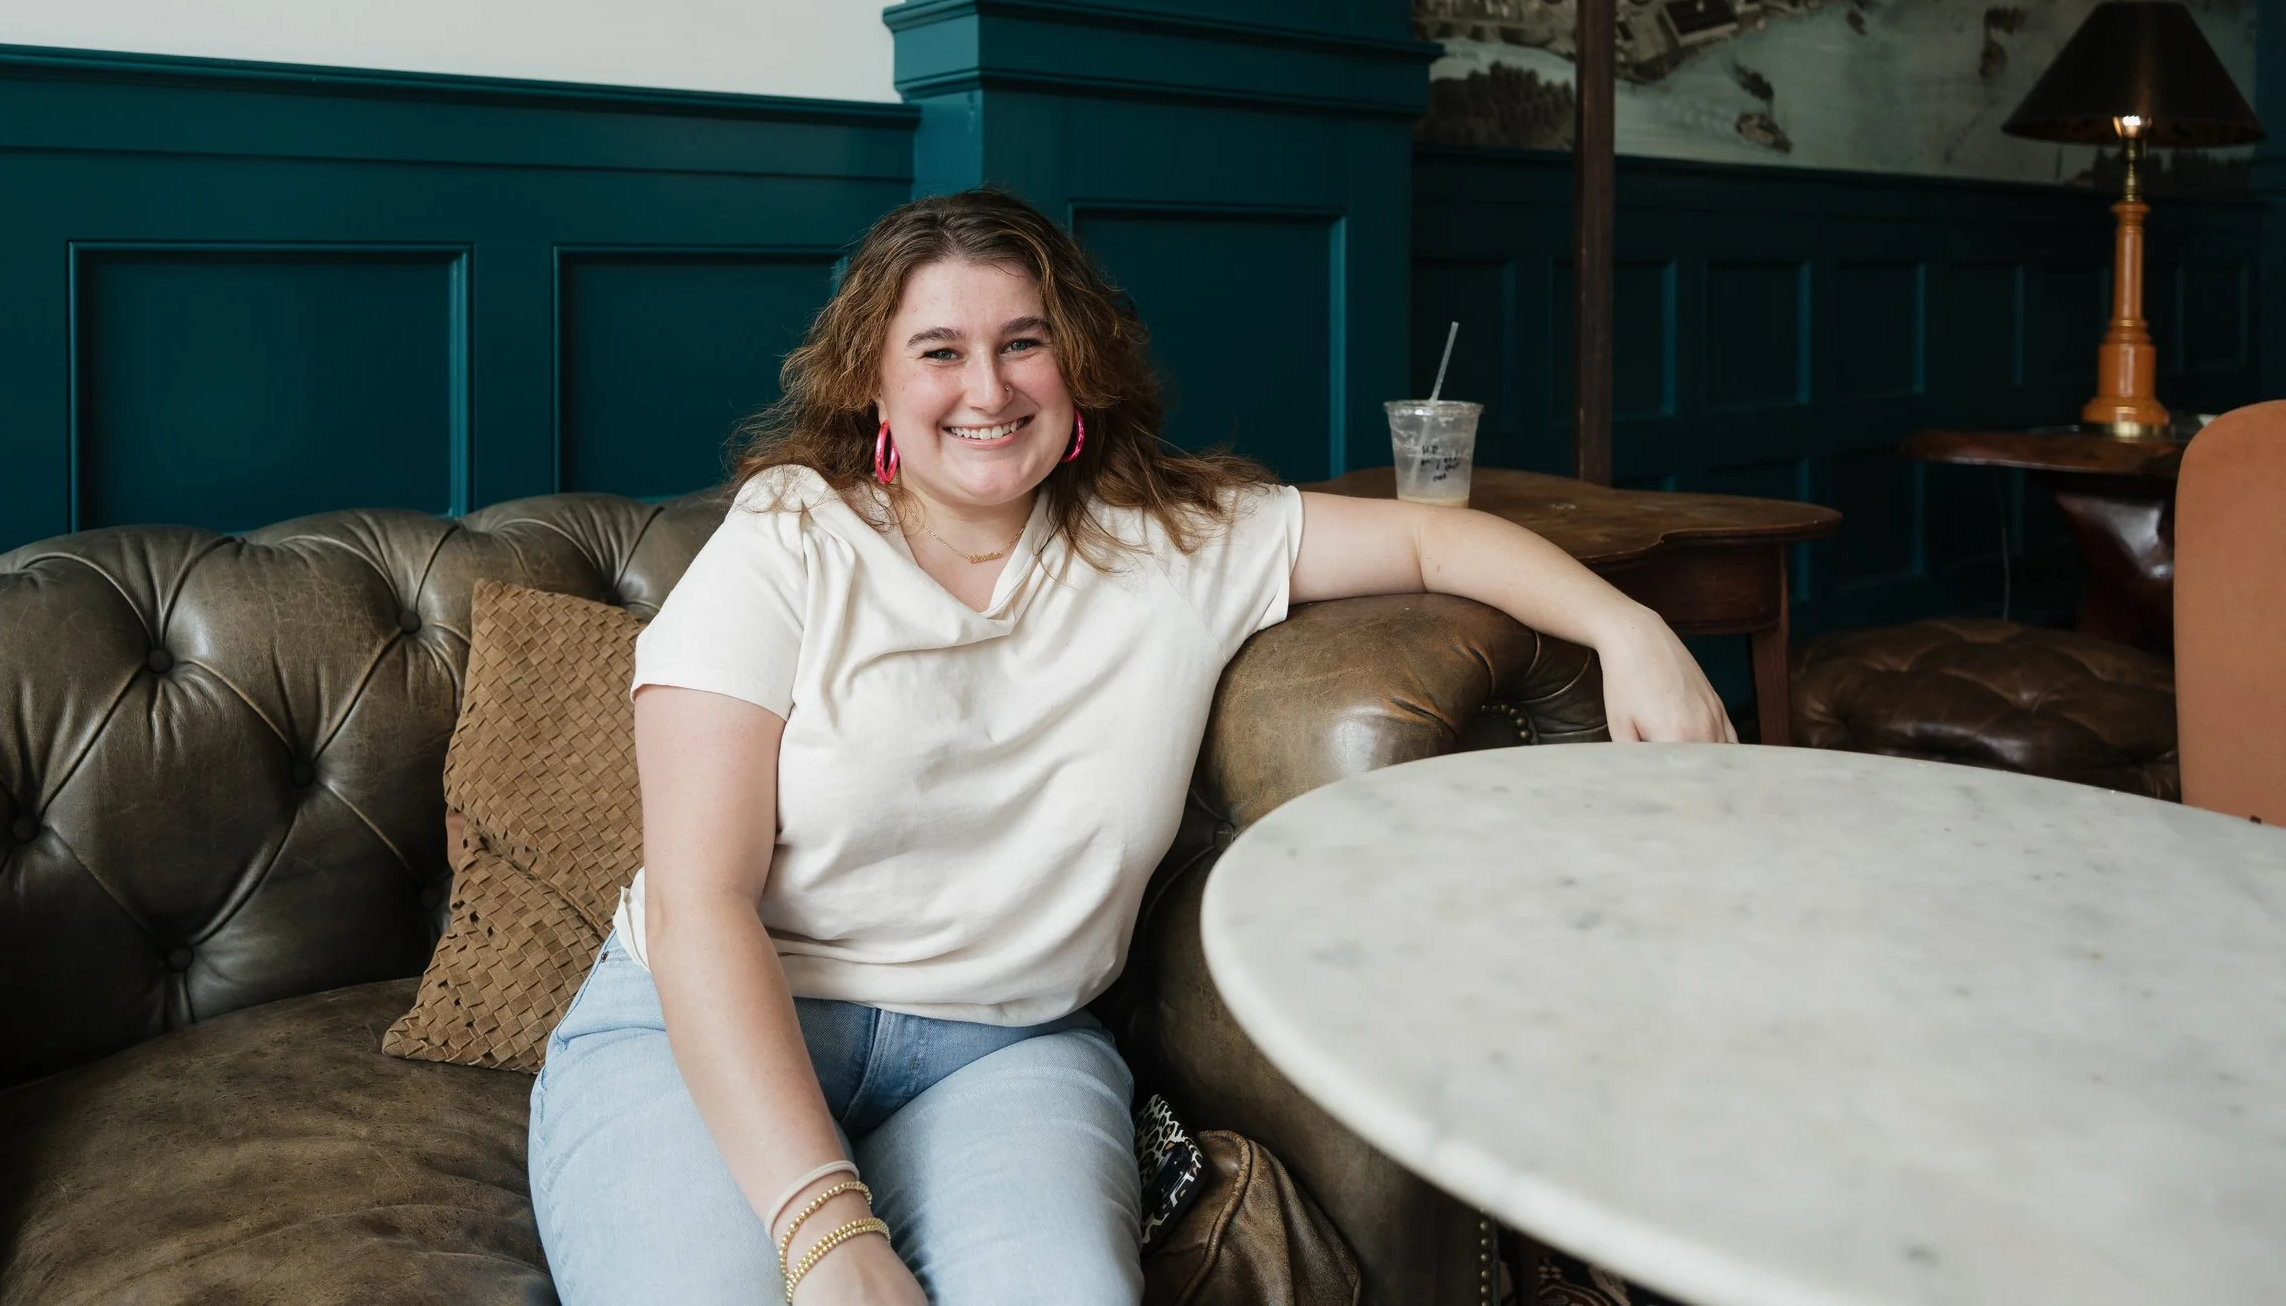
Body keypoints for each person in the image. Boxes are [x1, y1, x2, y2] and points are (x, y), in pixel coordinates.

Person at [529, 189, 1731, 1306]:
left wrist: (1631, 629)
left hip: (1004, 1049)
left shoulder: (1178, 542)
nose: (987, 386)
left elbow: (1430, 542)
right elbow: (700, 906)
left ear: (1078, 368)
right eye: (938, 350)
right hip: (715, 1022)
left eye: (1023, 341)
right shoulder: (788, 539)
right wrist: (826, 1224)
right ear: (874, 392)